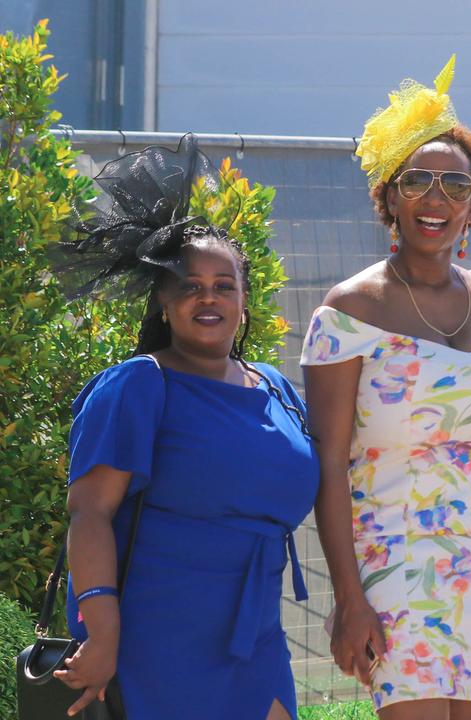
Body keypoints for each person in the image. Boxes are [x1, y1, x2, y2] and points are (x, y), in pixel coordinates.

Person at [50, 135, 319, 719]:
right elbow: (90, 513)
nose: (208, 298)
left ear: (245, 301)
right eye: (189, 287)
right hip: (154, 634)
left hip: (255, 632)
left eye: (225, 286)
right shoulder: (138, 385)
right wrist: (101, 632)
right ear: (164, 305)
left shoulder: (274, 386)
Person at [301, 55, 471, 719]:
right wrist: (348, 596)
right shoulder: (351, 310)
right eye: (418, 181)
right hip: (392, 557)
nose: (437, 198)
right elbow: (328, 463)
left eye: (456, 186)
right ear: (389, 197)